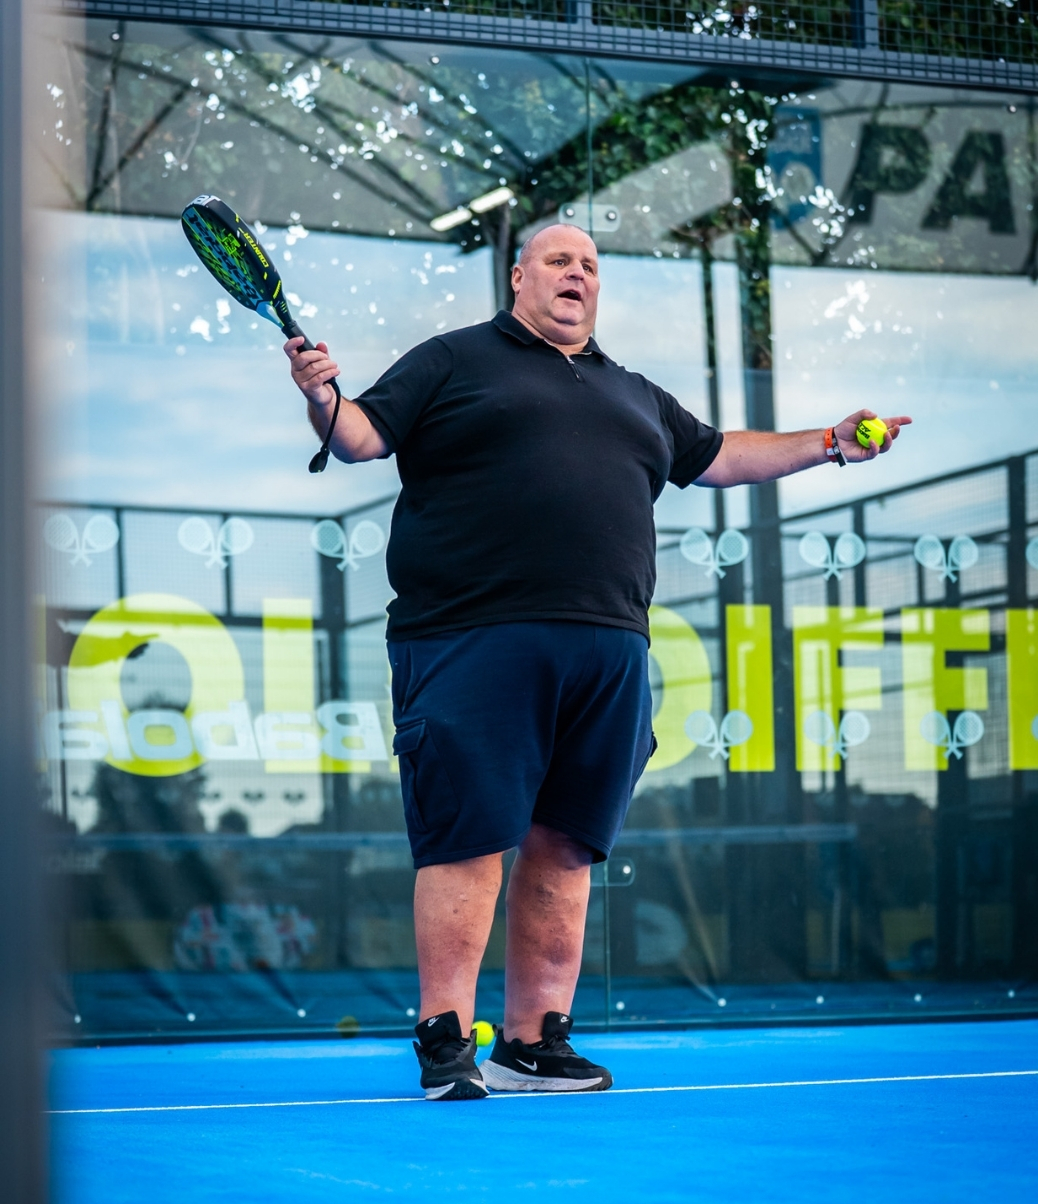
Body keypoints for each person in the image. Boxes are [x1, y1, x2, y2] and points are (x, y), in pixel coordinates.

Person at [286, 224, 911, 1101]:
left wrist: (833, 442)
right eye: (558, 260)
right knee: (469, 841)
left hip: (611, 648)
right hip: (469, 638)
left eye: (589, 265)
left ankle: (535, 1045)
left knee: (568, 846)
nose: (577, 273)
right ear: (518, 277)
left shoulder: (634, 393)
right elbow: (358, 437)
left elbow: (721, 455)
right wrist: (321, 395)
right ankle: (447, 1042)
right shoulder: (453, 359)